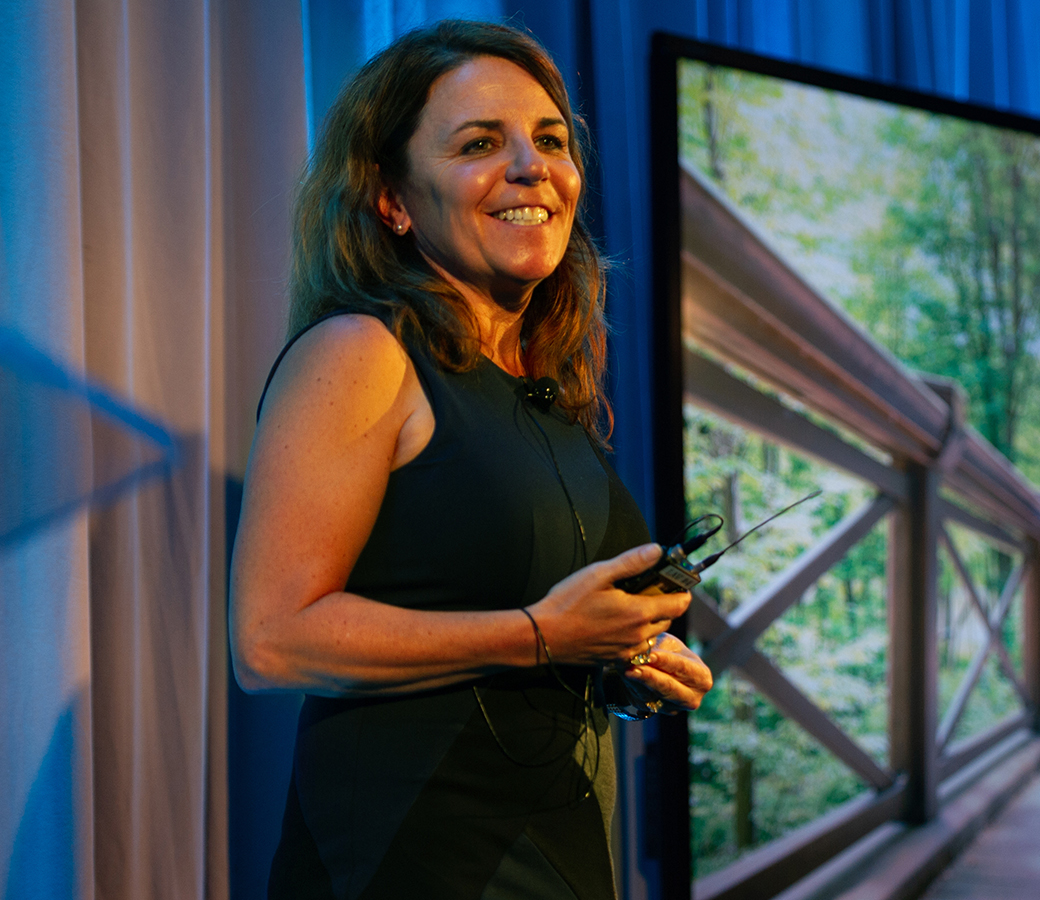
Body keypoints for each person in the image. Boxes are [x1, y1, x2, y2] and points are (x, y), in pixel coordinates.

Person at [228, 21, 712, 899]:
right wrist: (542, 635)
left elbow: (506, 629)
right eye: (481, 143)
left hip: (555, 853)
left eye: (551, 140)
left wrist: (616, 662)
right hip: (411, 863)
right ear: (393, 200)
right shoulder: (360, 353)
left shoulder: (550, 390)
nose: (532, 166)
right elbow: (271, 642)